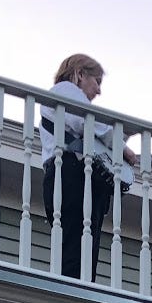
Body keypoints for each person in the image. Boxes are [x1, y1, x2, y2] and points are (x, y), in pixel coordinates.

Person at [42, 54, 138, 283]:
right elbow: (86, 121)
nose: (99, 91)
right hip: (70, 173)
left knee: (83, 247)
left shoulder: (64, 98)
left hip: (72, 174)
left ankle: (78, 289)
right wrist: (123, 147)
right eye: (97, 81)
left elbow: (90, 132)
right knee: (77, 246)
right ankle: (72, 293)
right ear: (80, 74)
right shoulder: (65, 89)